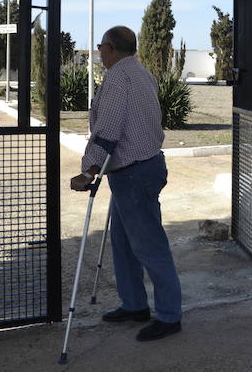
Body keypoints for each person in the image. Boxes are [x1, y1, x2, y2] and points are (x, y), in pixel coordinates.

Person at [69, 26, 182, 342]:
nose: (100, 52)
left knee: (149, 245)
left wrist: (89, 170)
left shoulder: (119, 78)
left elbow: (107, 130)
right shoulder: (141, 73)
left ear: (110, 48)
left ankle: (169, 316)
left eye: (101, 47)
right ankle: (134, 305)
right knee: (122, 241)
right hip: (138, 169)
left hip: (135, 173)